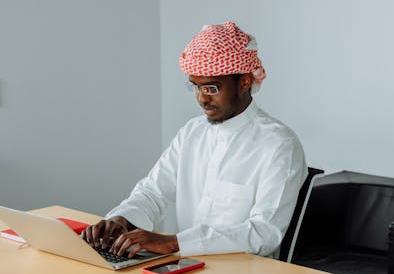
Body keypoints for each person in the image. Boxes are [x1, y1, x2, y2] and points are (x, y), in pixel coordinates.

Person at [82, 22, 306, 259]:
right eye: (195, 87)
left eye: (211, 88)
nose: (201, 99)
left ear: (244, 82)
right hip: (183, 268)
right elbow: (153, 192)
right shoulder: (192, 132)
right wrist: (122, 220)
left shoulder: (279, 145)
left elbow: (264, 233)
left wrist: (173, 243)